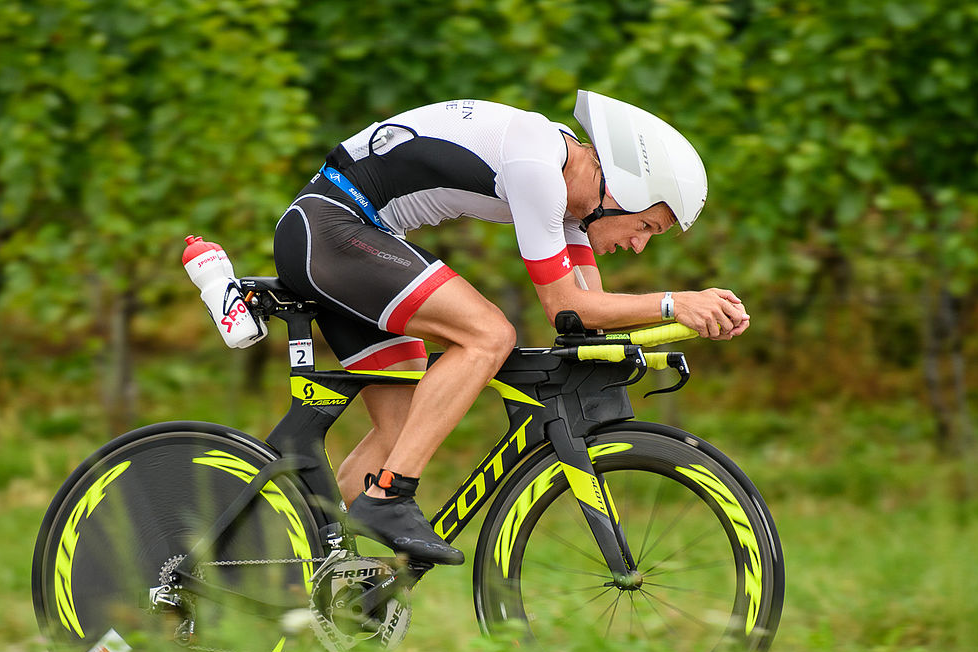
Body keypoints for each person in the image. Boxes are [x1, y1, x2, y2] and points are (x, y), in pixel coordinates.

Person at [272, 90, 749, 566]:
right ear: (620, 193)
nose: (640, 245)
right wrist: (675, 303)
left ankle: (304, 569)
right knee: (488, 336)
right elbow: (568, 308)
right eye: (647, 226)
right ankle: (391, 496)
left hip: (352, 240)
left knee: (402, 428)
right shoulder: (539, 166)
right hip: (332, 229)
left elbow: (591, 319)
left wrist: (676, 329)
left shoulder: (572, 200)